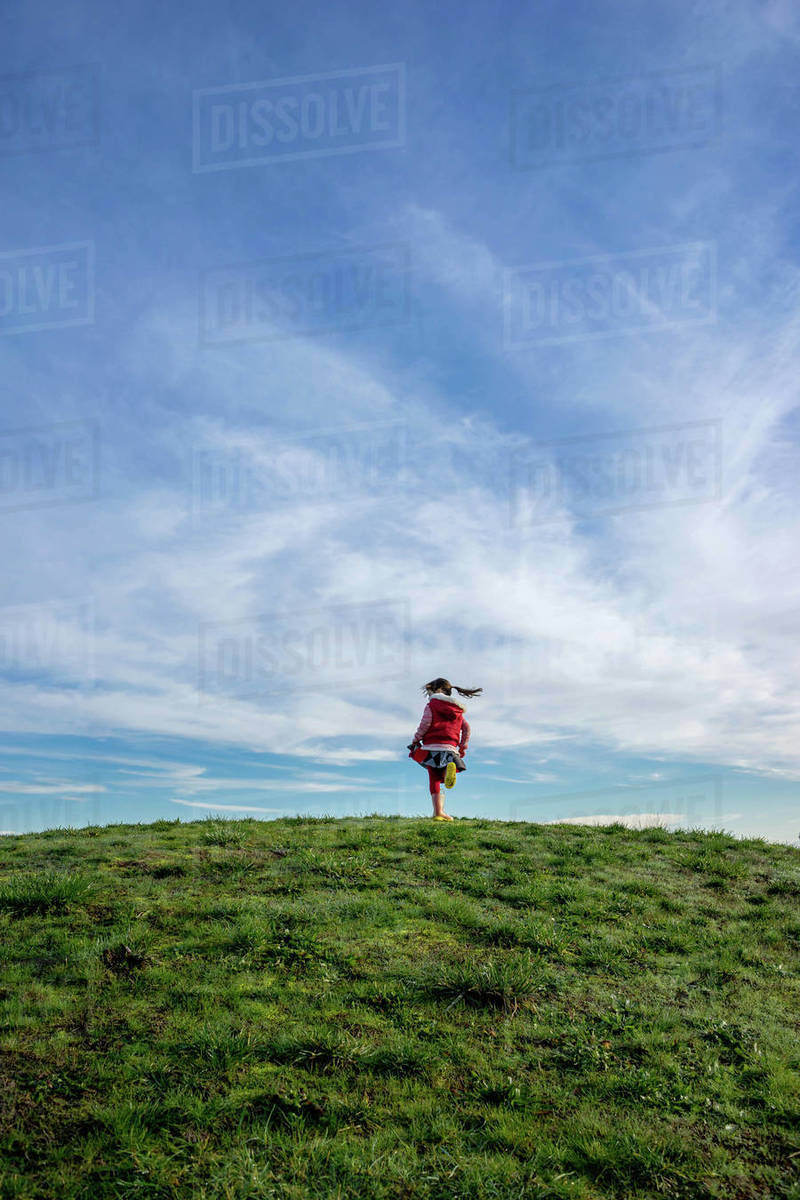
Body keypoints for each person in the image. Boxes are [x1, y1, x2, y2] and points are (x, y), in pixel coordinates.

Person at [407, 677, 482, 820]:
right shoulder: (458, 711)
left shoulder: (432, 705)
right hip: (450, 749)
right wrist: (462, 746)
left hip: (432, 747)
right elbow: (466, 728)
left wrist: (416, 739)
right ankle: (439, 810)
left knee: (433, 778)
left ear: (436, 690)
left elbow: (425, 724)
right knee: (440, 774)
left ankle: (438, 811)